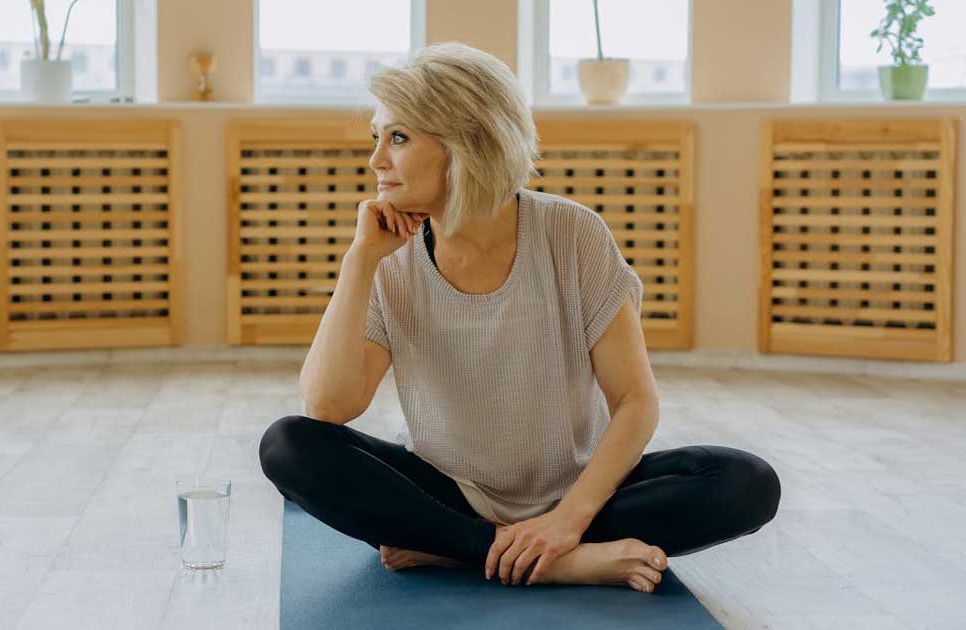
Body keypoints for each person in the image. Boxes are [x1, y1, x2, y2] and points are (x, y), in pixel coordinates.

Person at [258, 42, 780, 594]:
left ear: (465, 142)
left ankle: (458, 548)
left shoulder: (573, 234)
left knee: (745, 482)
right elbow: (326, 408)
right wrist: (358, 261)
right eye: (377, 137)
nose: (376, 160)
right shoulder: (389, 261)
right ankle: (547, 561)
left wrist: (566, 521)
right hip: (449, 491)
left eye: (399, 137)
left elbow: (634, 401)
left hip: (582, 494)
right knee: (288, 446)